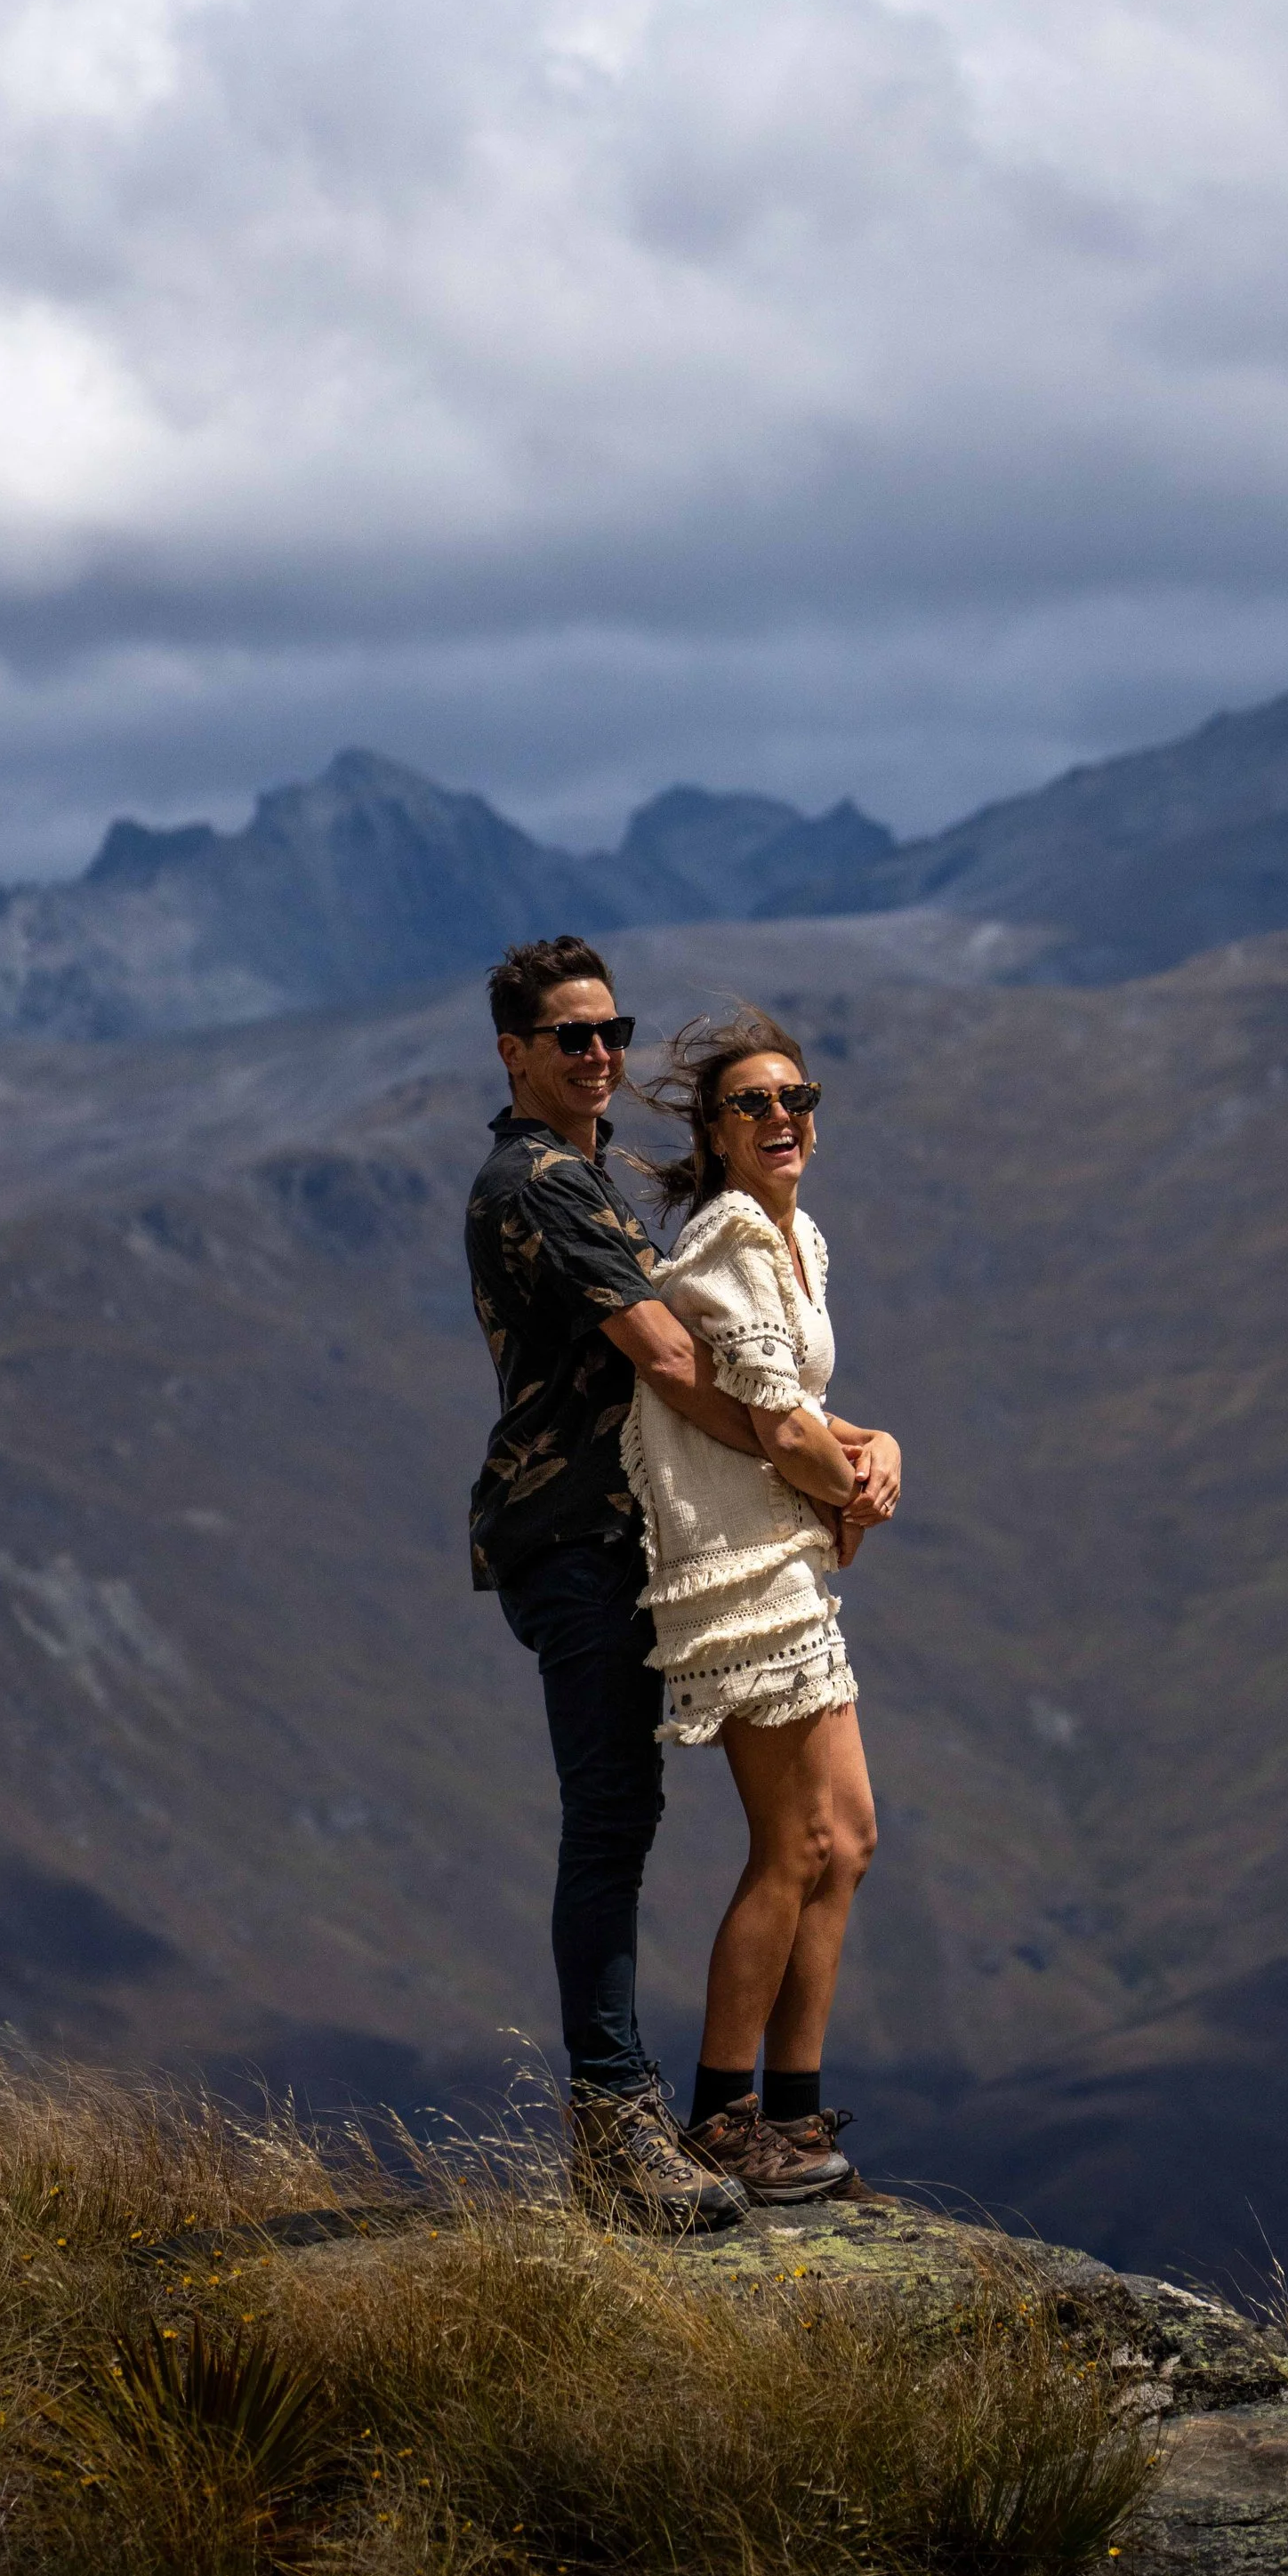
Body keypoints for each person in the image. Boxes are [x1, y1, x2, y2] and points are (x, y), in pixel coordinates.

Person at [467, 935, 767, 2232]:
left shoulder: (579, 1170)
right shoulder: (537, 1180)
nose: (601, 1053)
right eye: (572, 1034)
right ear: (514, 1051)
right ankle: (614, 2128)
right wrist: (807, 1454)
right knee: (607, 1816)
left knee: (623, 1812)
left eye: (612, 1031)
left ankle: (629, 2119)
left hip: (607, 1535)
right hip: (568, 1536)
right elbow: (663, 1352)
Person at [624, 1008, 902, 2203]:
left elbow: (802, 1409)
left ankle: (793, 2110)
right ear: (716, 1132)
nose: (783, 1118)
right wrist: (848, 1494)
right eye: (754, 1104)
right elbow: (781, 1424)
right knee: (791, 1841)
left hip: (782, 1559)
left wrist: (878, 1446)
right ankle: (724, 2115)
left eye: (799, 1098)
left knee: (849, 1838)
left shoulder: (800, 1238)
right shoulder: (732, 1240)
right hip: (737, 1576)